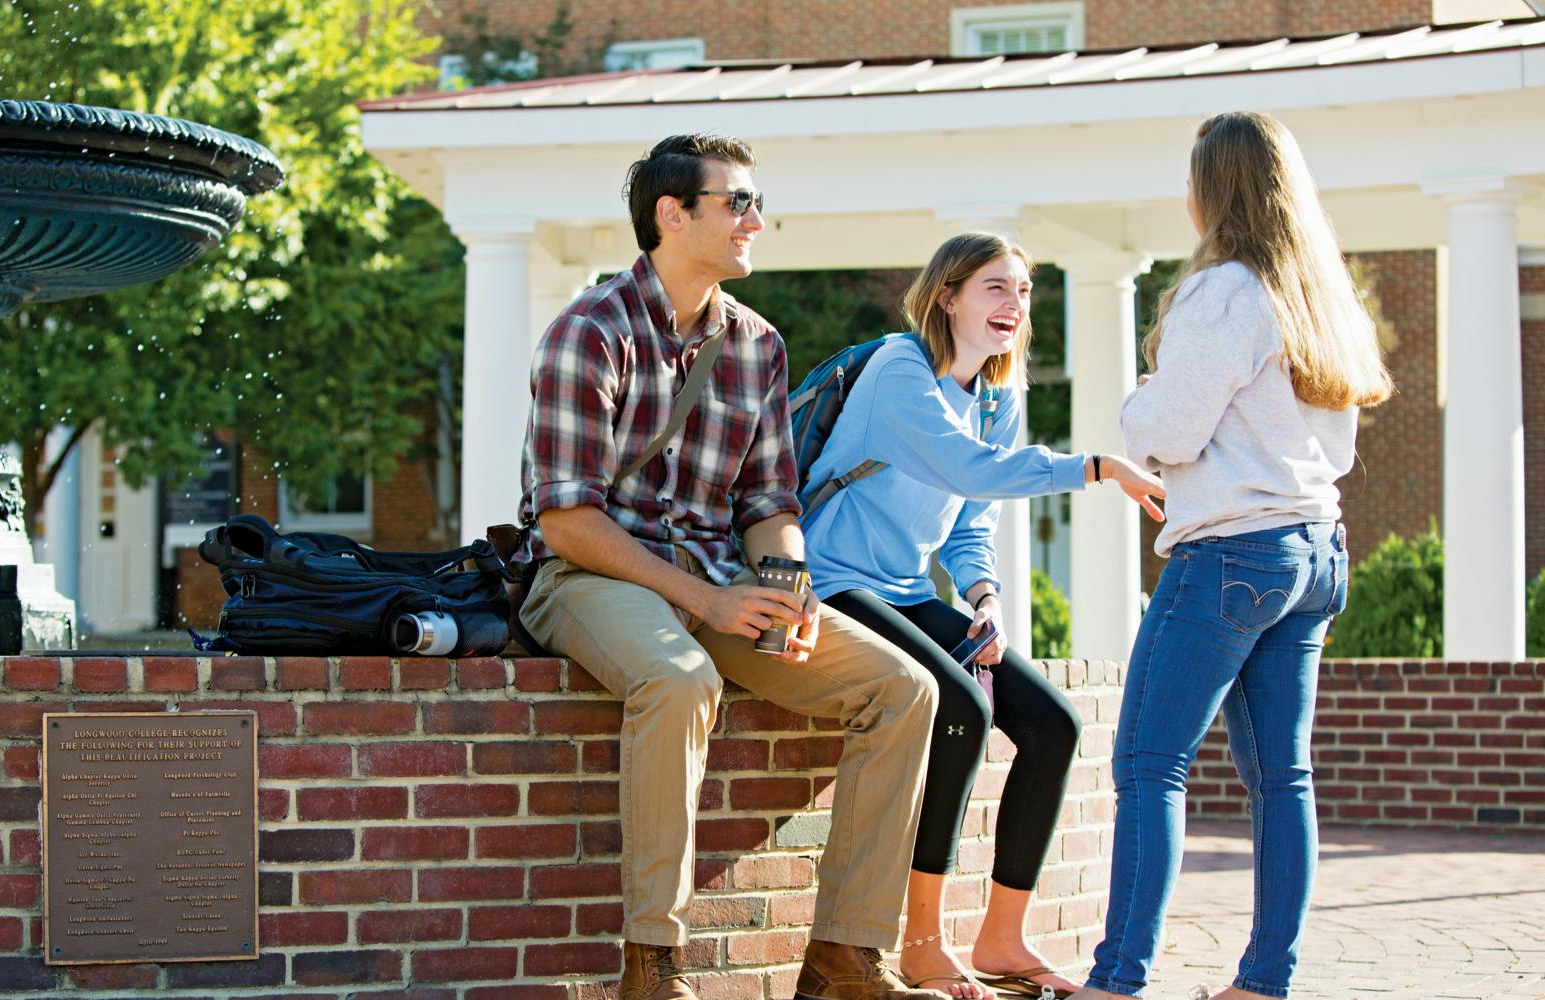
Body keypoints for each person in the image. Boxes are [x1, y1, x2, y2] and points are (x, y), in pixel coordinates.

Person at [514, 132, 950, 1000]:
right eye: (737, 203)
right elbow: (567, 520)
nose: (757, 219)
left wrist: (788, 584)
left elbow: (769, 503)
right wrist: (702, 601)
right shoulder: (589, 334)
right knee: (679, 681)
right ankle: (654, 963)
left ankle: (841, 958)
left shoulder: (757, 345)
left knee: (904, 691)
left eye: (757, 202)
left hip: (717, 580)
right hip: (593, 578)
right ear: (671, 216)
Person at [1072, 111, 1393, 1000]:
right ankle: (1263, 983)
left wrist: (1141, 402)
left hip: (1231, 557)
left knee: (1147, 761)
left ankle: (1117, 980)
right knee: (1282, 779)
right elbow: (1338, 452)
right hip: (1314, 551)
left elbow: (1168, 429)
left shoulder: (1225, 293)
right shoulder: (1317, 298)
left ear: (1215, 190)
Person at [799, 231, 1166, 999]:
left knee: (1052, 724)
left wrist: (985, 599)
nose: (1014, 304)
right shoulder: (902, 369)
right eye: (996, 287)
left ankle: (1002, 939)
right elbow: (970, 467)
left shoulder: (996, 396)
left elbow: (971, 517)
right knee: (959, 705)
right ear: (948, 295)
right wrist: (1095, 466)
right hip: (833, 580)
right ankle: (921, 942)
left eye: (1023, 291)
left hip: (903, 587)